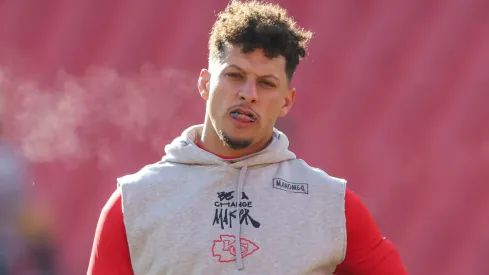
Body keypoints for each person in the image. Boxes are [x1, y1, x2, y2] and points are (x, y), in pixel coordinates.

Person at [88, 1, 408, 274]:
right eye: (234, 76)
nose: (248, 94)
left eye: (266, 83)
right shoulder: (134, 203)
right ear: (204, 84)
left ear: (287, 101)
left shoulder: (331, 205)